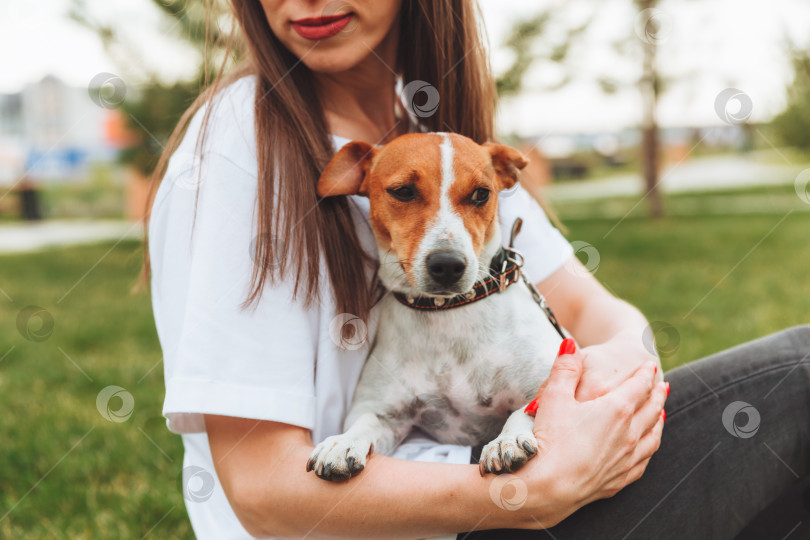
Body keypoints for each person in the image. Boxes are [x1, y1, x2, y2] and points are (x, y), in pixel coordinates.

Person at [146, 1, 810, 538]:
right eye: (403, 195)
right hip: (455, 517)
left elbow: (595, 313)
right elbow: (263, 494)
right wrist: (528, 491)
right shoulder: (240, 145)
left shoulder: (439, 142)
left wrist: (602, 395)